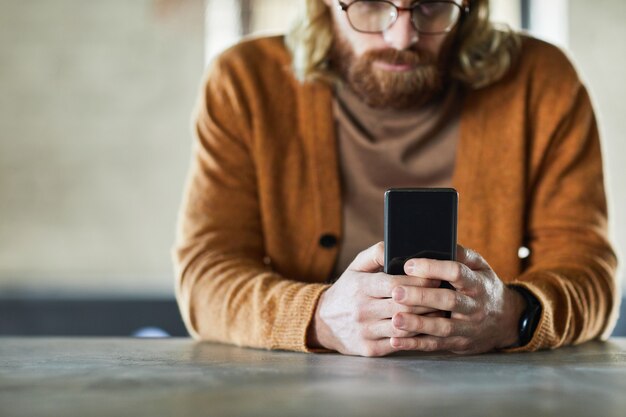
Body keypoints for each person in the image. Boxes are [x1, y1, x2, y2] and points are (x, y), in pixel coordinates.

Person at [173, 0, 619, 356]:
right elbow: (205, 275)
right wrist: (319, 317)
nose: (402, 37)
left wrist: (511, 315)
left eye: (431, 7)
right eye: (369, 4)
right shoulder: (244, 81)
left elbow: (591, 274)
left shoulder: (543, 80)